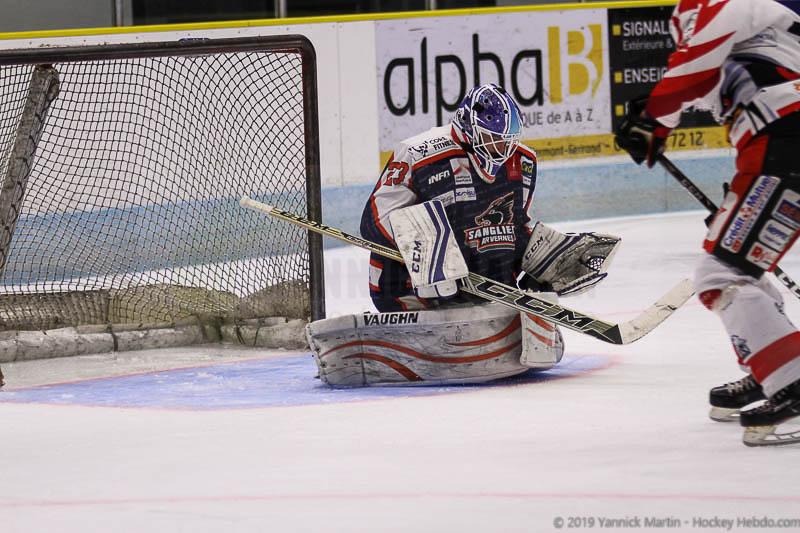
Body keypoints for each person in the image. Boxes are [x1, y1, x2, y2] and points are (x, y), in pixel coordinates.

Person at [305, 84, 621, 387]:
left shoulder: (522, 160)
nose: (501, 149)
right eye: (492, 139)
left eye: (507, 140)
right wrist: (432, 253)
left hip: (485, 291)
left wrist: (547, 262)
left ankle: (497, 302)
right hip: (409, 291)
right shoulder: (419, 153)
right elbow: (374, 220)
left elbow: (516, 225)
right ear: (469, 128)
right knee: (423, 229)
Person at [615, 0, 800, 445]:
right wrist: (655, 116)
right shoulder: (761, 38)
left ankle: (792, 380)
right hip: (779, 145)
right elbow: (702, 76)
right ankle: (771, 362)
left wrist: (653, 120)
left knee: (722, 273)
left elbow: (696, 63)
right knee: (738, 263)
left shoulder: (721, 4)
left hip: (786, 144)